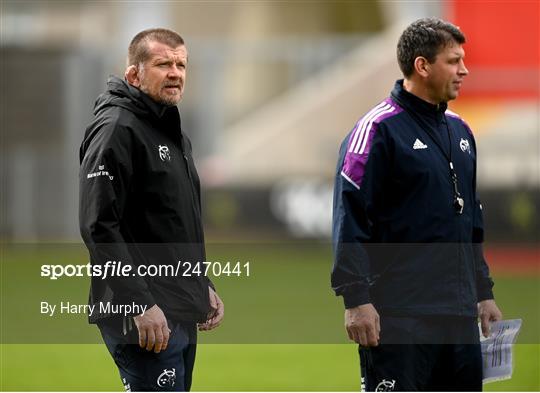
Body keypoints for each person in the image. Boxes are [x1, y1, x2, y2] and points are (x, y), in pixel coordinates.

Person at [331, 18, 502, 391]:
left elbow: (471, 220)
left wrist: (483, 292)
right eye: (453, 61)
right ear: (422, 66)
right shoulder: (377, 130)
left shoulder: (461, 130)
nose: (465, 70)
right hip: (398, 315)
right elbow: (349, 219)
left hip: (458, 315)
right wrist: (356, 299)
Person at [79, 28, 224, 391]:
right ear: (134, 74)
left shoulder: (170, 131)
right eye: (163, 64)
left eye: (181, 64)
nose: (175, 72)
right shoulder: (116, 128)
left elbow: (171, 223)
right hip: (142, 312)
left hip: (177, 305)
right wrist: (138, 303)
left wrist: (200, 283)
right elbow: (99, 226)